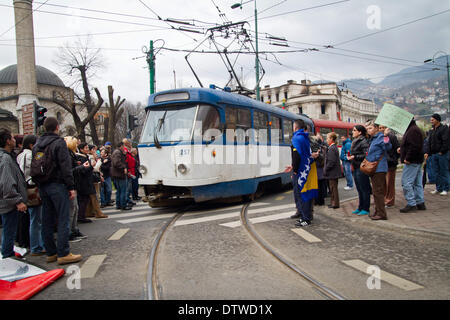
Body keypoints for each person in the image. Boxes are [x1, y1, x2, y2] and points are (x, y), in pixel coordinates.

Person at [31, 117, 82, 265]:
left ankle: (51, 252)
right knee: (63, 218)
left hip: (42, 184)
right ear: (57, 127)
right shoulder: (59, 143)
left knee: (47, 219)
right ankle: (63, 252)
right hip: (57, 184)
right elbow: (65, 167)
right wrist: (71, 186)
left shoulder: (37, 145)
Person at [285, 119, 319, 227]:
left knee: (301, 194)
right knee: (306, 194)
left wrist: (294, 169)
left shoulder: (296, 138)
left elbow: (297, 156)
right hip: (307, 169)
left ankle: (305, 218)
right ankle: (307, 216)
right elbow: (306, 155)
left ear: (295, 127)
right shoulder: (305, 138)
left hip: (300, 171)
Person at [0, 129, 27, 259]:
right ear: (7, 141)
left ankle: (7, 254)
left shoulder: (7, 156)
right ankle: (7, 257)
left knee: (9, 230)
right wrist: (17, 201)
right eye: (12, 138)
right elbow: (7, 183)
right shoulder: (5, 159)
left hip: (7, 202)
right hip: (9, 203)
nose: (14, 140)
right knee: (9, 230)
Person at [16, 134, 45, 255]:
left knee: (32, 218)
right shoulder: (30, 155)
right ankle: (36, 246)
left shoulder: (20, 155)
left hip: (24, 188)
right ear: (32, 145)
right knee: (36, 219)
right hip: (32, 187)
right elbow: (38, 166)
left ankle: (34, 244)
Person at [398, 119, 426, 213]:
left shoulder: (412, 131)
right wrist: (402, 150)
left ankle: (411, 203)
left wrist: (408, 158)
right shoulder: (414, 129)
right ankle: (420, 202)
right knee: (417, 182)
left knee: (406, 182)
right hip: (417, 160)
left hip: (412, 161)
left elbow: (414, 146)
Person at [366, 121, 391, 220]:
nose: (368, 130)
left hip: (379, 168)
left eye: (370, 128)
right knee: (376, 192)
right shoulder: (373, 139)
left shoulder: (380, 137)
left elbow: (388, 147)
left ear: (376, 128)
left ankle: (381, 213)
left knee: (378, 192)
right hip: (374, 168)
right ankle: (377, 211)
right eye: (367, 128)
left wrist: (385, 136)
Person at [64, 136, 88, 242]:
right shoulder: (68, 155)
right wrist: (82, 167)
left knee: (75, 208)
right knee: (72, 209)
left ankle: (74, 229)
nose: (77, 145)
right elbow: (70, 171)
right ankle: (70, 232)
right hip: (71, 185)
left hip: (74, 183)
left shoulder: (71, 154)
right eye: (76, 144)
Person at [348, 125, 371, 216]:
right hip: (356, 166)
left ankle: (366, 208)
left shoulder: (363, 141)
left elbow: (366, 154)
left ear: (360, 132)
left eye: (354, 130)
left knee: (364, 188)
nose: (352, 132)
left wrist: (355, 157)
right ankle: (360, 207)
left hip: (361, 167)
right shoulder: (355, 141)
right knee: (359, 188)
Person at [424, 113, 449, 196]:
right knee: (436, 172)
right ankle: (439, 188)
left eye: (432, 119)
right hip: (433, 154)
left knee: (443, 171)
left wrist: (442, 151)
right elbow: (429, 142)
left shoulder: (444, 129)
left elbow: (446, 141)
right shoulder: (432, 130)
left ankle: (446, 188)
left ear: (437, 120)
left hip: (442, 154)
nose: (431, 121)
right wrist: (427, 152)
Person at [379, 125, 400, 207]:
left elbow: (397, 149)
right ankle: (385, 199)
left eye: (383, 127)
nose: (381, 129)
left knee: (389, 183)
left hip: (390, 163)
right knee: (383, 183)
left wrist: (393, 159)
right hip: (383, 163)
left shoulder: (391, 136)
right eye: (380, 128)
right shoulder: (379, 137)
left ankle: (390, 201)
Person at [111, 142, 132, 211]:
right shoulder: (117, 152)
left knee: (119, 190)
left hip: (116, 174)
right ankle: (123, 205)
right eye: (123, 146)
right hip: (120, 174)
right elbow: (117, 163)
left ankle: (118, 204)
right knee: (123, 190)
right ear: (121, 146)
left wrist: (124, 154)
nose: (124, 147)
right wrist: (124, 167)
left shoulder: (117, 152)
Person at [324, 132, 341, 209]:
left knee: (333, 188)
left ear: (331, 139)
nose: (326, 140)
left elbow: (331, 161)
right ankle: (333, 202)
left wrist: (326, 169)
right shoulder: (334, 147)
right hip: (334, 172)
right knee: (333, 188)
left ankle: (335, 203)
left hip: (332, 172)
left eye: (327, 138)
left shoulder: (331, 148)